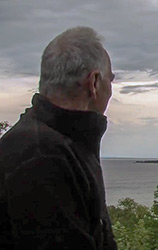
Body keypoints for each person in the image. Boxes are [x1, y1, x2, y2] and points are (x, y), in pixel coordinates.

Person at [0, 27, 117, 249]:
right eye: (110, 80)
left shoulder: (54, 142)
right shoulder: (41, 157)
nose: (110, 91)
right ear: (93, 83)